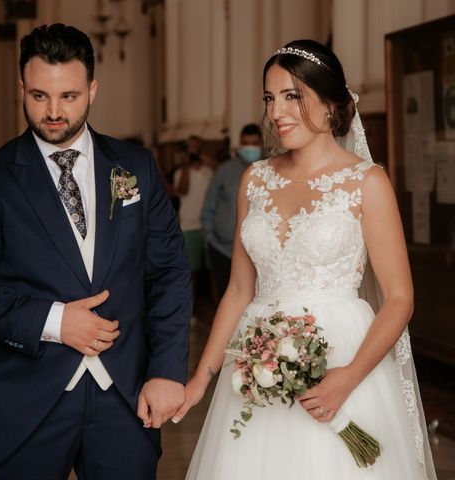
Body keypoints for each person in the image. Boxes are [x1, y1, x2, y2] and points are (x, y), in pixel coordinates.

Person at [0, 23, 192, 480]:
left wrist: (169, 371)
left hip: (125, 398)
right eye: (38, 96)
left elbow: (168, 272)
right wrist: (54, 321)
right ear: (22, 87)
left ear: (92, 88)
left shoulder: (136, 167)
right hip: (25, 402)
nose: (53, 112)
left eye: (69, 97)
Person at [173, 39, 437, 479]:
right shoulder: (253, 180)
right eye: (270, 98)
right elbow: (239, 291)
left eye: (292, 96)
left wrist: (350, 376)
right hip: (256, 365)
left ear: (331, 103)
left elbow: (399, 298)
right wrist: (202, 377)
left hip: (345, 355)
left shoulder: (366, 183)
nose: (276, 112)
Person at [201, 123, 263, 302]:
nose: (250, 147)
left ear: (261, 144)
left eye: (254, 143)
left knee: (252, 302)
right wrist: (209, 239)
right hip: (222, 249)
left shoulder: (269, 168)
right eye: (246, 143)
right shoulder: (225, 170)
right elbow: (209, 205)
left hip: (255, 252)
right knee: (225, 299)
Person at [174, 135, 213, 293]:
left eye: (195, 147)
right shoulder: (180, 172)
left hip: (208, 226)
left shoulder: (208, 170)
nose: (192, 151)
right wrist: (186, 165)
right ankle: (192, 312)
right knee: (191, 272)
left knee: (213, 271)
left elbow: (220, 167)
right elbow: (183, 190)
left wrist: (200, 157)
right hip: (189, 226)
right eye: (189, 148)